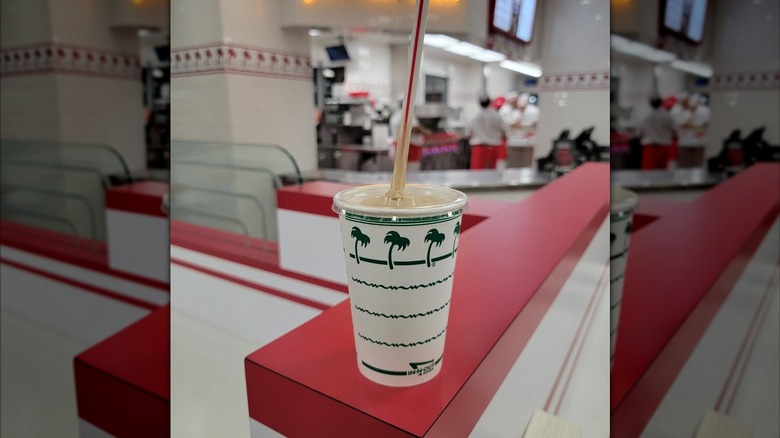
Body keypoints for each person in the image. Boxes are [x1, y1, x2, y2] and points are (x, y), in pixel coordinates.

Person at [467, 94, 507, 170]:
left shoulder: (474, 117)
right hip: (494, 149)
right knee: (493, 176)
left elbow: (469, 134)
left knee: (477, 175)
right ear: (490, 102)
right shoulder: (497, 116)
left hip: (478, 149)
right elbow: (504, 133)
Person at [639, 96, 677, 170]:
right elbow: (674, 131)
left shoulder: (645, 116)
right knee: (662, 174)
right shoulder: (668, 116)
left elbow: (640, 132)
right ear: (661, 103)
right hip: (664, 148)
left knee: (648, 173)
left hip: (650, 148)